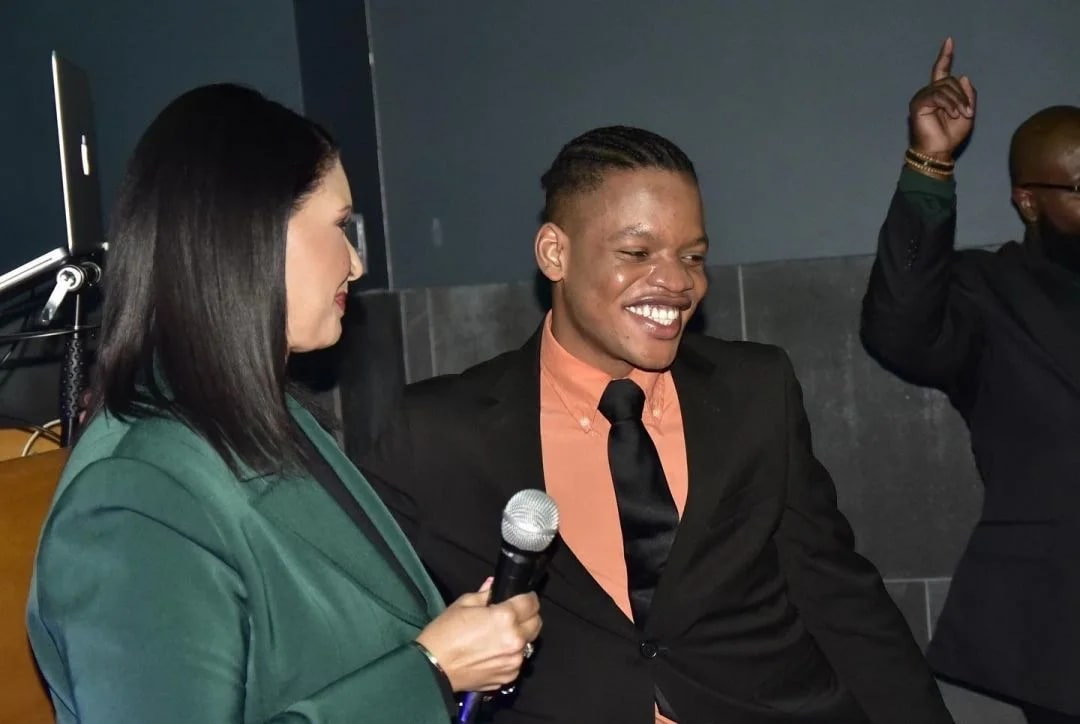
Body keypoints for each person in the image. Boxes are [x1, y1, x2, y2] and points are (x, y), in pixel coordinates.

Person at [362, 125, 952, 723]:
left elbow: (838, 594)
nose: (677, 282)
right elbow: (369, 633)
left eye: (692, 256)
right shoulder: (437, 432)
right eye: (637, 254)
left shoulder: (755, 391)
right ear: (555, 254)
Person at [26, 84, 541, 723]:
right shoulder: (132, 493)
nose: (355, 264)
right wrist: (431, 673)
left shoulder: (265, 417)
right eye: (340, 226)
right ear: (254, 231)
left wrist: (452, 645)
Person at [861, 37, 1080, 724]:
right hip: (1064, 631)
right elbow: (898, 328)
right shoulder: (991, 293)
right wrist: (930, 165)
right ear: (1028, 201)